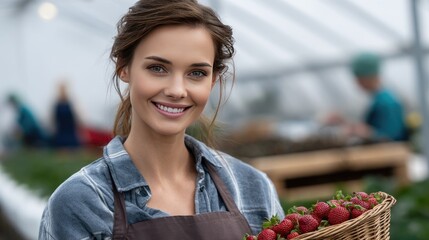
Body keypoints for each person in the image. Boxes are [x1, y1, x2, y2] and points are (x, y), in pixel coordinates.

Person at [38, 1, 284, 239]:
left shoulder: (252, 188)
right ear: (124, 67)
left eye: (196, 73)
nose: (177, 90)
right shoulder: (83, 201)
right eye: (158, 68)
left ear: (213, 80)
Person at [329, 52, 408, 142]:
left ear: (370, 77)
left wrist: (365, 132)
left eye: (360, 79)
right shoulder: (378, 99)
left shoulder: (387, 103)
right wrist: (346, 123)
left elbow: (390, 137)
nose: (357, 83)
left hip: (393, 152)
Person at [51, 81, 81, 149]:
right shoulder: (57, 104)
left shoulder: (70, 103)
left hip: (70, 132)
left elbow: (76, 118)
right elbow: (54, 120)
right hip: (61, 132)